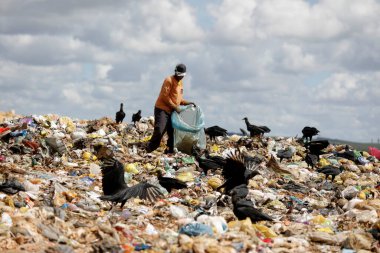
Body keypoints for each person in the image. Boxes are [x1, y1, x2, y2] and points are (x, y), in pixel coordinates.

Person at [146, 63, 195, 154]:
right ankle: (149, 148)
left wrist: (188, 103)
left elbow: (178, 99)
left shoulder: (180, 83)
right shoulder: (169, 80)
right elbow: (165, 97)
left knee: (172, 132)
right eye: (178, 75)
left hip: (172, 111)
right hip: (162, 109)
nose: (180, 77)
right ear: (175, 72)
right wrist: (175, 107)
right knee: (160, 130)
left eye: (181, 76)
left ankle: (170, 151)